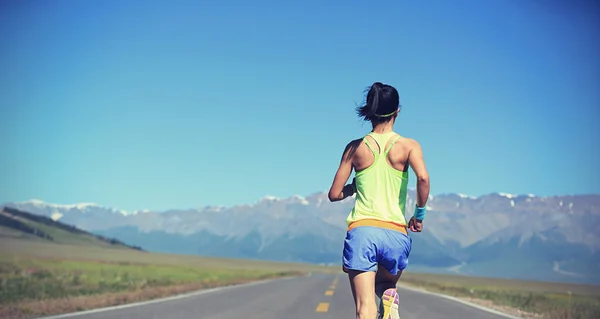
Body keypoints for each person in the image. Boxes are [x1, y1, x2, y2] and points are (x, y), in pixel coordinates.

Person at [328, 82, 430, 319]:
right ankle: (388, 296)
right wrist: (419, 215)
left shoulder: (354, 149)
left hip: (363, 231)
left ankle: (383, 301)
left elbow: (334, 194)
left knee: (365, 309)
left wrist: (354, 186)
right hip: (396, 233)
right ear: (397, 111)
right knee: (384, 284)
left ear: (369, 111)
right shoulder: (409, 146)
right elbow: (423, 178)